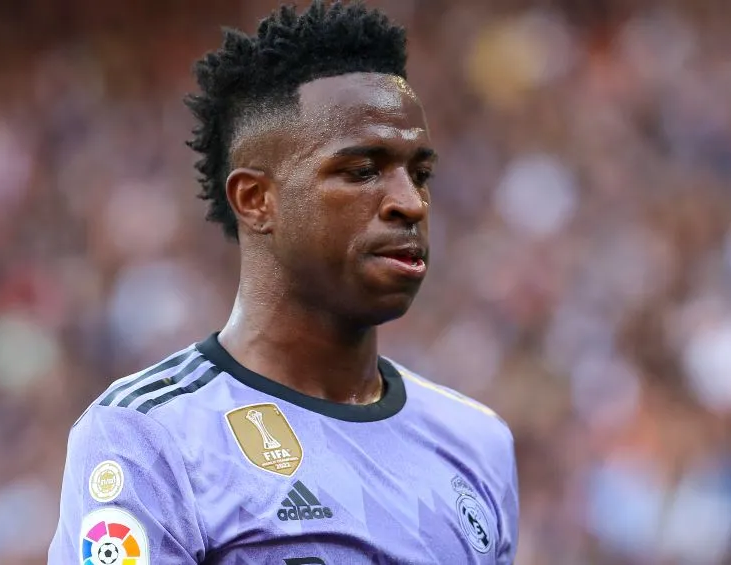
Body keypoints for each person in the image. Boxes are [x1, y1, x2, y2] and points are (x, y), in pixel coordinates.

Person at [47, 2, 519, 563]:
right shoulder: (148, 436)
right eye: (362, 171)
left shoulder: (477, 441)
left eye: (420, 174)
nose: (410, 203)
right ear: (256, 200)